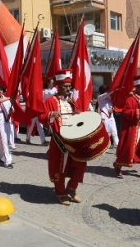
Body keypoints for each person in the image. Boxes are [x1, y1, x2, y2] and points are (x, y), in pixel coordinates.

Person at [38, 69, 88, 206]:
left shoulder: (72, 101)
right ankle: (60, 192)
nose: (68, 88)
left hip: (74, 139)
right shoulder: (50, 101)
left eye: (69, 86)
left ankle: (71, 189)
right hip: (60, 140)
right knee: (60, 167)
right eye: (65, 86)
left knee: (81, 164)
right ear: (58, 86)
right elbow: (41, 117)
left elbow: (79, 115)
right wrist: (51, 114)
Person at [0, 84, 15, 169]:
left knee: (6, 141)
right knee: (4, 141)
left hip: (7, 122)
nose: (0, 91)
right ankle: (8, 161)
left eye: (1, 90)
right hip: (0, 123)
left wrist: (11, 110)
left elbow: (11, 110)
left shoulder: (7, 99)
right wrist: (9, 98)